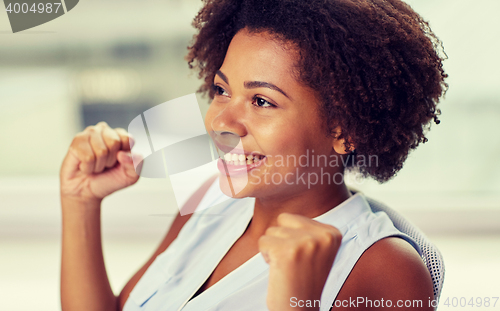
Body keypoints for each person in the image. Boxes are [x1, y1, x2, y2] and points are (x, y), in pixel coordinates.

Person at [59, 0, 447, 310]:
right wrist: (80, 202)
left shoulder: (386, 268)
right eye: (222, 90)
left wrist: (297, 302)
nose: (221, 121)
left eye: (262, 101)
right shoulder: (209, 200)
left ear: (346, 129)